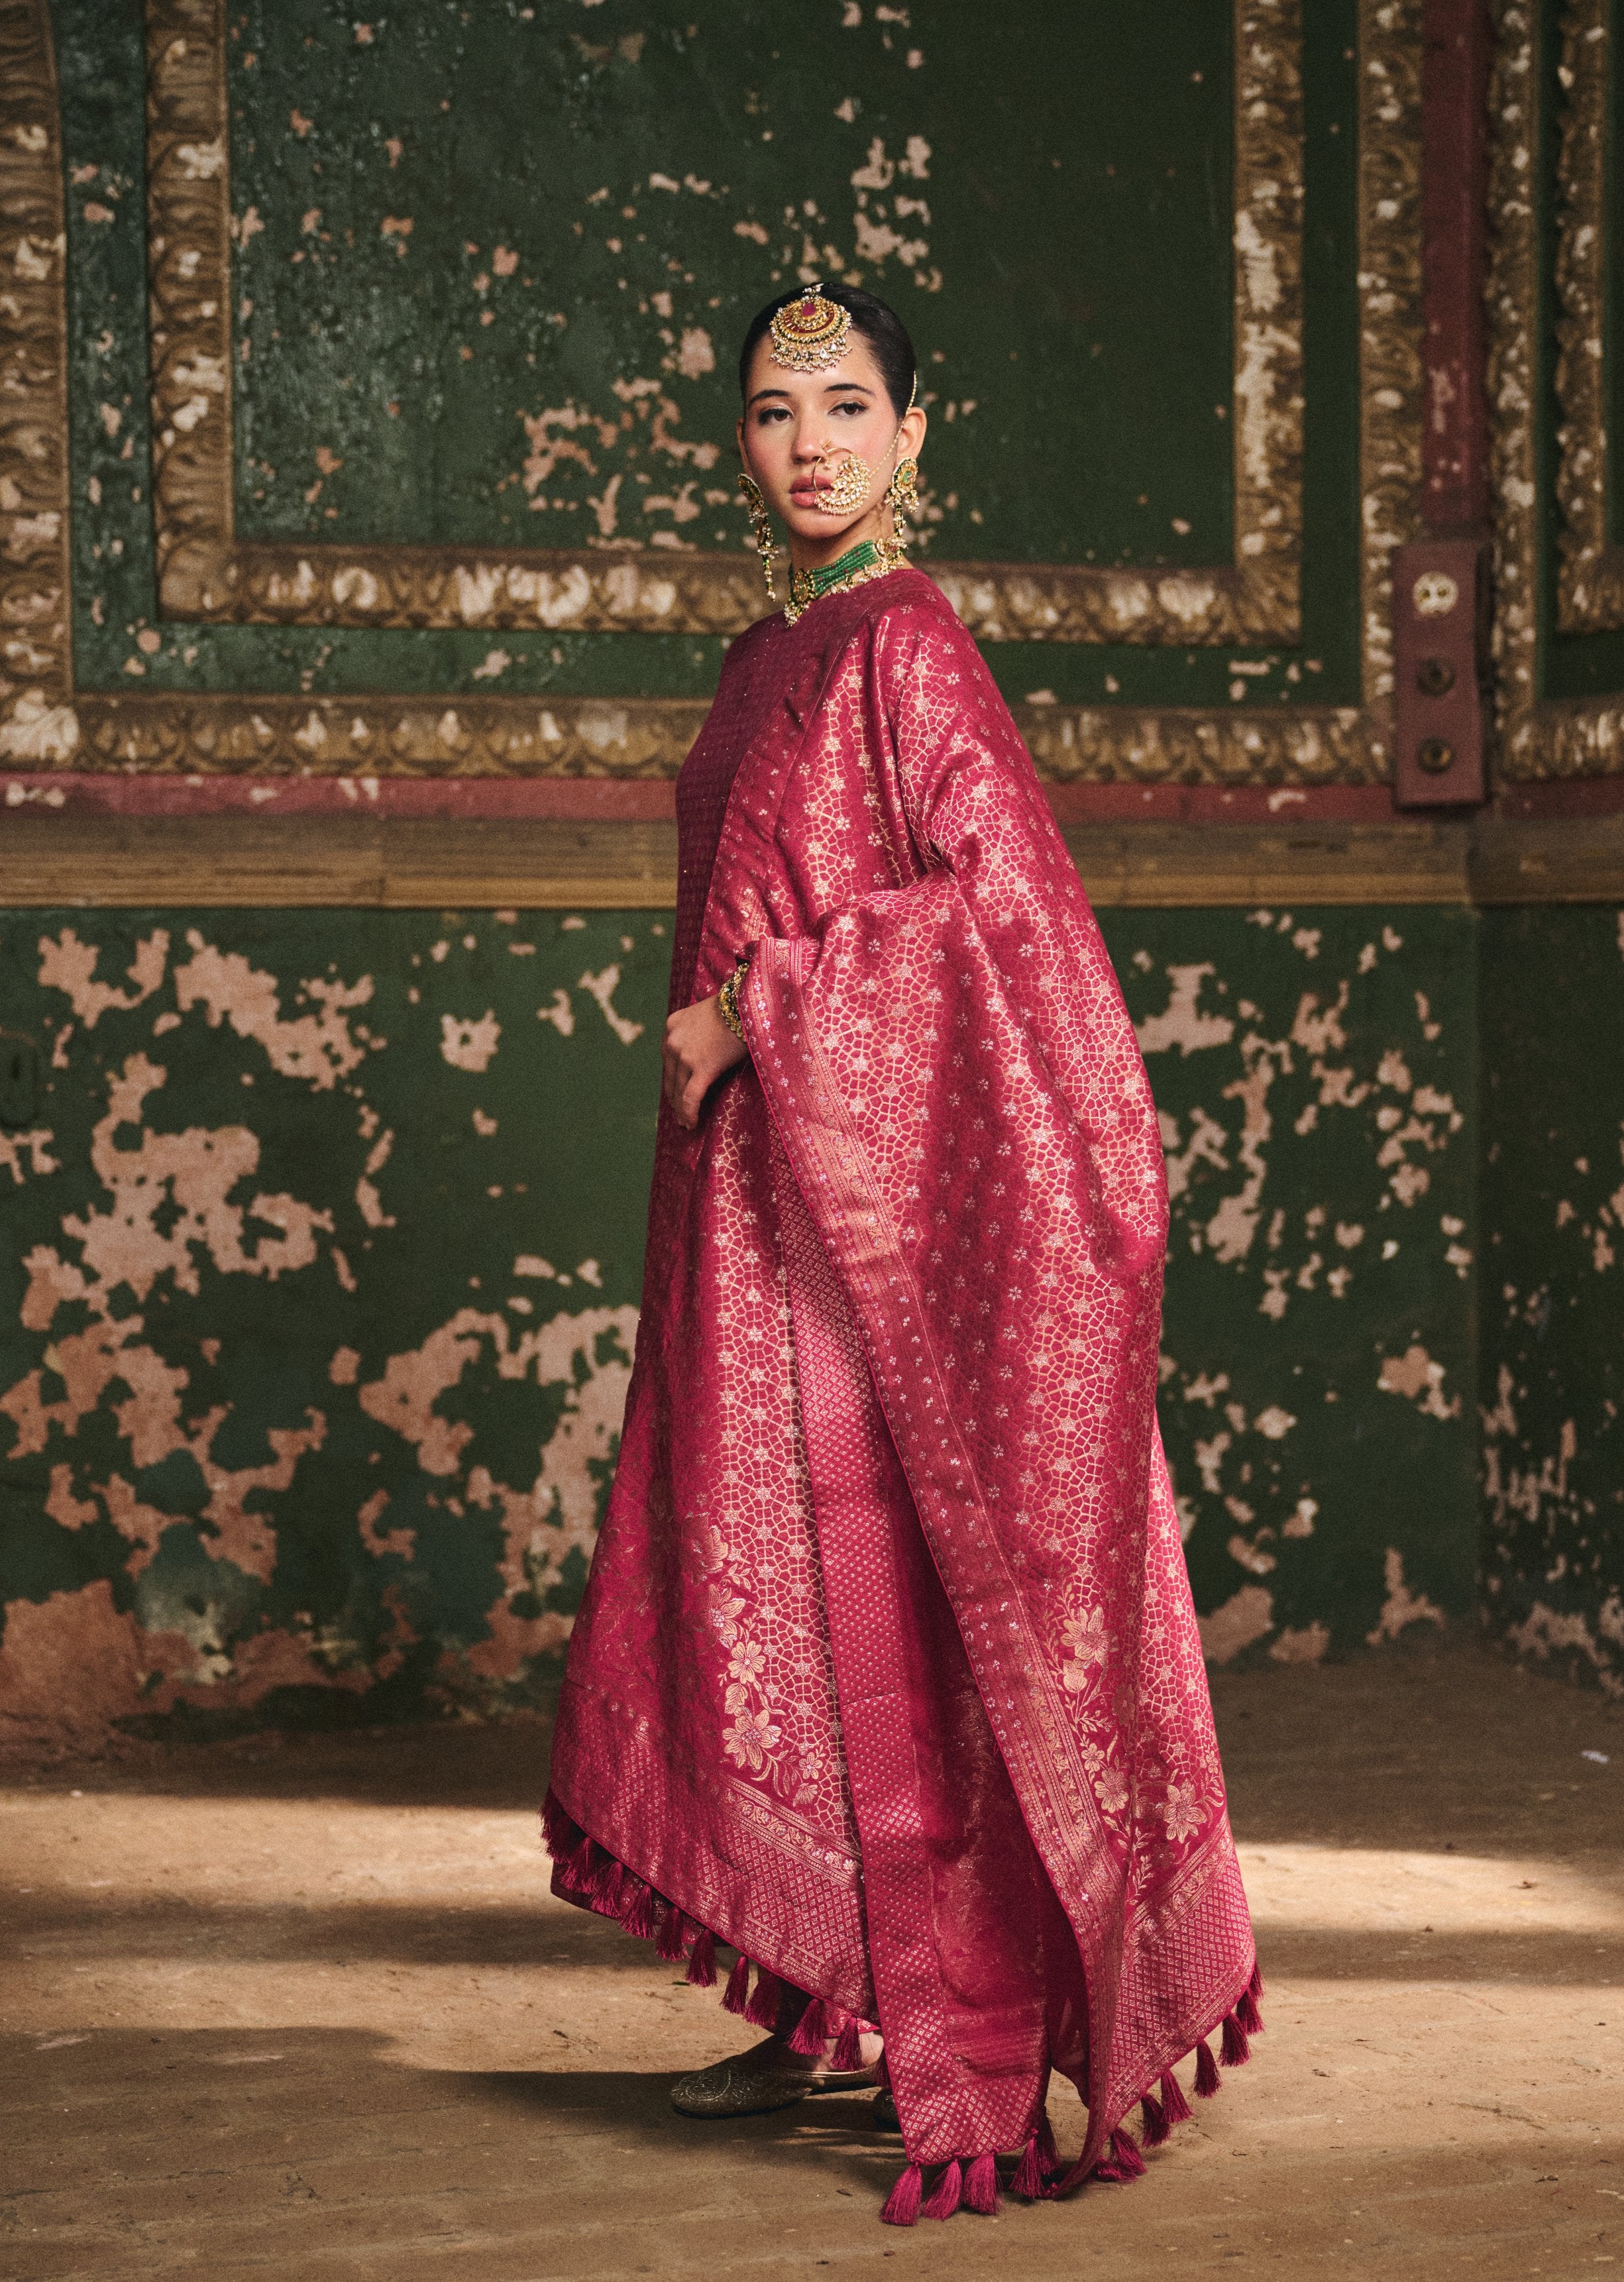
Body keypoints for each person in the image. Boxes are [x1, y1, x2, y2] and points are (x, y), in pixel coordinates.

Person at [542, 281, 1260, 2226]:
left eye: (848, 406)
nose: (811, 444)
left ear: (912, 434)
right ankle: (831, 1999)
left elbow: (1004, 913)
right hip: (746, 1198)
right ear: (737, 442)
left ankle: (973, 2041)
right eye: (776, 412)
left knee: (897, 1605)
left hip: (862, 1217)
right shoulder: (765, 651)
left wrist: (755, 1006)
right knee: (773, 1592)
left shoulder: (907, 642)